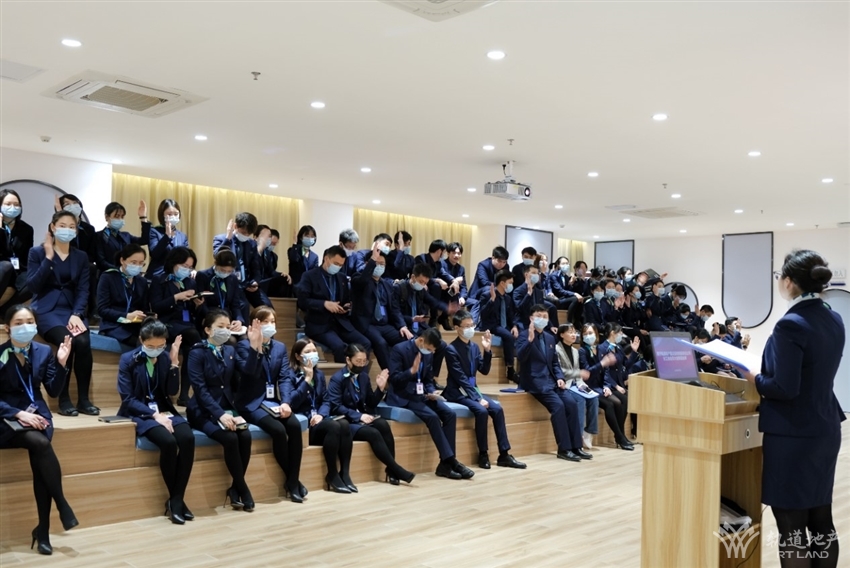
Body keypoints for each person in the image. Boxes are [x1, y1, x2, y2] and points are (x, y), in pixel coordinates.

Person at [741, 250, 844, 568]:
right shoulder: (833, 317)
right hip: (824, 428)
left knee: (791, 525)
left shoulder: (791, 325)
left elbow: (785, 388)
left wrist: (755, 378)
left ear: (788, 281)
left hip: (793, 434)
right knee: (820, 518)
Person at [0, 305, 77, 554]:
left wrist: (62, 363)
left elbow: (53, 391)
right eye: (18, 323)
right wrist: (17, 413)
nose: (25, 327)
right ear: (7, 328)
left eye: (30, 321)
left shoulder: (43, 351)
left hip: (38, 416)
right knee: (41, 444)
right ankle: (61, 505)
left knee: (40, 459)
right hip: (6, 417)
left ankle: (43, 530)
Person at [117, 318, 195, 524]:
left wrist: (174, 363)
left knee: (187, 438)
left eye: (160, 346)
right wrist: (154, 416)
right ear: (142, 340)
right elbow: (127, 398)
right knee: (168, 442)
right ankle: (177, 501)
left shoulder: (165, 357)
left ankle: (176, 499)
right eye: (150, 346)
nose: (155, 350)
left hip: (163, 409)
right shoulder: (128, 359)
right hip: (139, 411)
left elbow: (171, 392)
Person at [26, 211, 97, 416]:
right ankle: (63, 399)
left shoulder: (81, 256)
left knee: (83, 341)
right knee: (68, 341)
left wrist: (77, 313)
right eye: (63, 225)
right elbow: (33, 286)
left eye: (72, 227)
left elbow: (83, 289)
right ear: (53, 227)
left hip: (72, 311)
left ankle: (83, 399)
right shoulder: (37, 253)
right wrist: (48, 258)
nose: (67, 230)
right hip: (46, 310)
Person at [234, 306, 306, 502]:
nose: (270, 325)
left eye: (272, 321)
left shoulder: (279, 347)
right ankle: (293, 481)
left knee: (294, 425)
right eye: (265, 322)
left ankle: (293, 480)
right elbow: (250, 374)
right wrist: (255, 347)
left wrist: (286, 402)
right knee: (278, 430)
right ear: (254, 324)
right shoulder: (243, 346)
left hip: (271, 401)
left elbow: (284, 378)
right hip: (250, 402)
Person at [186, 309, 254, 511]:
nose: (225, 331)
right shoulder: (197, 352)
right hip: (203, 410)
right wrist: (220, 414)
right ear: (208, 330)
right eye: (220, 327)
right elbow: (200, 390)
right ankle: (243, 488)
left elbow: (247, 373)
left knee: (245, 435)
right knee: (230, 439)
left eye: (227, 327)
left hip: (227, 407)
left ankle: (234, 488)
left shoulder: (230, 350)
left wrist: (255, 347)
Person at [387, 328, 475, 480]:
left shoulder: (428, 354)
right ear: (421, 340)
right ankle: (451, 461)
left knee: (449, 414)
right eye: (429, 349)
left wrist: (432, 391)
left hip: (422, 394)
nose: (432, 352)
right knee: (432, 417)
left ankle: (445, 465)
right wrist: (411, 371)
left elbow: (428, 380)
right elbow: (394, 379)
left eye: (433, 350)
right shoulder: (399, 349)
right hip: (403, 395)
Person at [443, 311, 525, 469]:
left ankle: (504, 454)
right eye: (466, 326)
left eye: (472, 325)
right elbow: (460, 378)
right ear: (457, 328)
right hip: (457, 392)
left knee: (498, 409)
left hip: (472, 390)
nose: (470, 329)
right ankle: (483, 454)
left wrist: (487, 351)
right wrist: (477, 398)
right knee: (481, 411)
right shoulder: (451, 349)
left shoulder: (474, 347)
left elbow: (484, 370)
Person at [326, 343, 416, 485]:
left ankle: (391, 471)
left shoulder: (363, 377)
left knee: (383, 424)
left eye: (364, 361)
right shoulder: (338, 379)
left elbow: (371, 403)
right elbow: (336, 406)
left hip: (363, 418)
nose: (361, 365)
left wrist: (380, 389)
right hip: (347, 421)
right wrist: (359, 416)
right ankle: (396, 469)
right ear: (348, 360)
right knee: (373, 433)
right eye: (358, 361)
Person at [516, 305, 591, 462]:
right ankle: (564, 449)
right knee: (558, 406)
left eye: (545, 316)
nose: (542, 319)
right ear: (531, 318)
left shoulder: (550, 338)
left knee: (571, 403)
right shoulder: (524, 336)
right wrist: (530, 340)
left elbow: (555, 363)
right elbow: (520, 357)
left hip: (552, 381)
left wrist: (560, 377)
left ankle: (576, 447)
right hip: (535, 382)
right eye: (539, 316)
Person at [287, 338, 355, 494]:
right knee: (334, 426)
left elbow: (326, 400)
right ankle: (332, 473)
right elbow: (292, 402)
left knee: (344, 424)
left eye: (314, 351)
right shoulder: (290, 375)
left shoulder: (319, 374)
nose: (312, 354)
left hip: (318, 419)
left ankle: (345, 473)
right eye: (308, 352)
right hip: (304, 423)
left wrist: (321, 415)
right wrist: (307, 379)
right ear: (298, 356)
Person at [296, 245, 372, 363]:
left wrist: (346, 307)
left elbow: (345, 300)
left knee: (365, 343)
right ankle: (343, 374)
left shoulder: (341, 277)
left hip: (340, 322)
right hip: (319, 325)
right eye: (336, 263)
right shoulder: (309, 276)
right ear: (326, 259)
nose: (338, 267)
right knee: (339, 346)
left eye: (341, 265)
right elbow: (302, 301)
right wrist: (324, 304)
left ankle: (360, 372)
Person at [149, 247, 205, 405]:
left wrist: (198, 305)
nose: (187, 270)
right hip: (167, 323)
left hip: (186, 325)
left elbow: (196, 312)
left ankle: (184, 393)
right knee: (194, 337)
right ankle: (168, 392)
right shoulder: (159, 280)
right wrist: (176, 297)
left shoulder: (190, 282)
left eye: (190, 267)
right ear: (173, 263)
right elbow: (156, 307)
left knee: (191, 350)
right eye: (184, 266)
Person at [351, 245, 412, 370]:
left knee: (408, 340)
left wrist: (402, 326)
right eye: (376, 263)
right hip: (368, 324)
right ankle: (390, 375)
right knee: (381, 343)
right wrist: (373, 259)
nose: (379, 266)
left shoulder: (387, 285)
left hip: (385, 324)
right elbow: (362, 281)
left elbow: (394, 309)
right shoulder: (358, 279)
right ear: (368, 264)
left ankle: (407, 373)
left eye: (382, 264)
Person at [578, 323, 632, 450]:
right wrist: (602, 363)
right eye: (585, 334)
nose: (588, 336)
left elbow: (606, 370)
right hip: (589, 386)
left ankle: (621, 435)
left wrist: (607, 386)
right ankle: (619, 436)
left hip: (601, 386)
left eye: (590, 333)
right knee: (611, 404)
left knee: (624, 400)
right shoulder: (582, 351)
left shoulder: (599, 349)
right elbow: (588, 372)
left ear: (596, 334)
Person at [96, 244, 150, 349]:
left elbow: (144, 308)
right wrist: (126, 315)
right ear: (122, 260)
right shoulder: (108, 277)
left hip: (135, 325)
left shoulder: (142, 281)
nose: (137, 266)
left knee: (155, 339)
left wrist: (147, 315)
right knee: (141, 343)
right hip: (113, 325)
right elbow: (102, 309)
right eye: (133, 262)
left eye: (141, 263)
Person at [555, 324, 600, 450]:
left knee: (594, 398)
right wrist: (578, 373)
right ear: (562, 334)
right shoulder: (556, 349)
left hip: (577, 383)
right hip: (566, 384)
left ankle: (589, 432)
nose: (574, 335)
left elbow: (577, 370)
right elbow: (560, 371)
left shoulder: (575, 351)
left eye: (574, 332)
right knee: (580, 400)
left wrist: (582, 384)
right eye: (570, 332)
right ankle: (578, 437)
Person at [212, 212, 270, 308]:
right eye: (243, 233)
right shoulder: (220, 239)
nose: (246, 236)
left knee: (267, 307)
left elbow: (255, 267)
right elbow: (218, 257)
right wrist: (228, 238)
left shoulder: (251, 244)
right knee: (243, 306)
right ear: (235, 226)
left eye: (248, 234)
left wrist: (255, 281)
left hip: (248, 284)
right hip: (231, 283)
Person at [598, 323, 639, 439]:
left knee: (629, 399)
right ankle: (620, 435)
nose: (622, 335)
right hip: (608, 384)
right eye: (620, 332)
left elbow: (625, 365)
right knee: (623, 400)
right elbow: (603, 371)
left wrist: (634, 352)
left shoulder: (619, 347)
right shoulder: (602, 348)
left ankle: (620, 434)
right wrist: (616, 386)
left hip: (619, 384)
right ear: (612, 333)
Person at [194, 249, 251, 335]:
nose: (226, 273)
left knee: (244, 338)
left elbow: (235, 304)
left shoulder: (233, 278)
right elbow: (201, 303)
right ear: (215, 263)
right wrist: (214, 318)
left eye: (229, 271)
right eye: (223, 270)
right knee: (230, 340)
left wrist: (238, 320)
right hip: (208, 318)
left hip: (227, 320)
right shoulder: (203, 276)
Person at [478, 270, 519, 383]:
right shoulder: (487, 295)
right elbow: (483, 314)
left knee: (519, 335)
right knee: (508, 336)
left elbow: (511, 316)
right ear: (502, 283)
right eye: (510, 283)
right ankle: (510, 369)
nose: (511, 285)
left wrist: (514, 326)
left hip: (503, 325)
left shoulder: (508, 298)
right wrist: (492, 300)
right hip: (491, 325)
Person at [0, 189, 34, 313]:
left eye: (16, 204)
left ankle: (4, 311)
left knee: (36, 278)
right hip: (2, 269)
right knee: (6, 266)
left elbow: (26, 257)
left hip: (17, 270)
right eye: (8, 204)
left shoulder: (27, 229)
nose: (13, 207)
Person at [94, 201, 151, 272]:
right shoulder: (99, 236)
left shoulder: (125, 235)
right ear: (107, 217)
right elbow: (100, 261)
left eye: (122, 217)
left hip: (127, 273)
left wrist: (143, 217)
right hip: (108, 274)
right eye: (117, 216)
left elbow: (144, 240)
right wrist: (119, 270)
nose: (120, 219)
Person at [147, 199, 189, 278]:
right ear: (162, 215)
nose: (173, 217)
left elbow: (186, 257)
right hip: (158, 276)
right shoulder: (154, 231)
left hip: (177, 276)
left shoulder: (182, 236)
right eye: (169, 214)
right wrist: (167, 236)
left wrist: (191, 269)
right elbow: (155, 254)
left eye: (176, 214)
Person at [513, 261, 559, 331]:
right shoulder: (518, 291)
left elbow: (542, 310)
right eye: (533, 273)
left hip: (538, 321)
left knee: (552, 333)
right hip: (524, 322)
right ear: (526, 275)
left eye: (537, 273)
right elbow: (520, 309)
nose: (536, 275)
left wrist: (551, 326)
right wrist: (528, 294)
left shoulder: (538, 292)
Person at [467, 246, 509, 323]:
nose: (501, 264)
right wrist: (500, 286)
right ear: (493, 257)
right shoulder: (483, 265)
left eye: (504, 262)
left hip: (496, 294)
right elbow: (484, 282)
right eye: (499, 261)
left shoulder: (506, 266)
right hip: (479, 294)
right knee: (488, 288)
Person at [255, 224, 291, 298]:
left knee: (285, 279)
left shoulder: (267, 253)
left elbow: (271, 272)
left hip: (263, 282)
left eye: (269, 236)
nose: (267, 238)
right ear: (255, 237)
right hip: (254, 283)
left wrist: (282, 274)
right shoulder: (250, 251)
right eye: (264, 235)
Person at [287, 225, 318, 291]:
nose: (310, 238)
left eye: (312, 236)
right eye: (307, 236)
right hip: (295, 287)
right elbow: (293, 258)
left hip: (309, 288)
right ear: (301, 237)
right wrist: (295, 243)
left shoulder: (315, 256)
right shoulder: (294, 250)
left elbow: (315, 273)